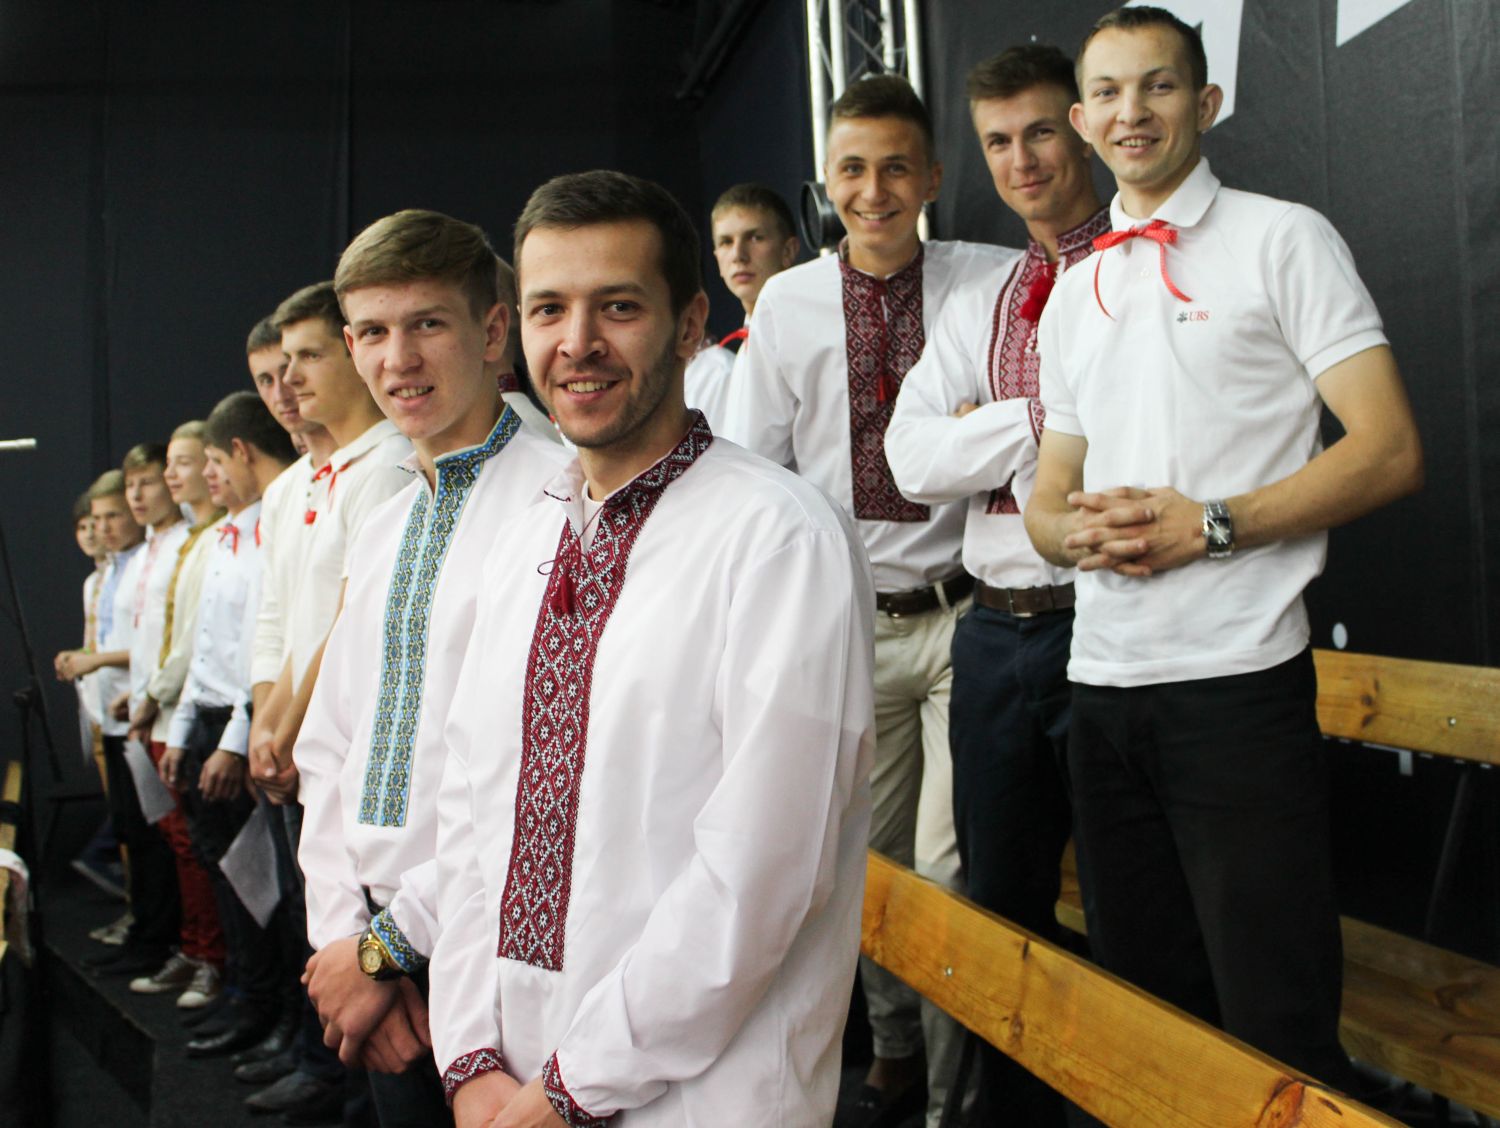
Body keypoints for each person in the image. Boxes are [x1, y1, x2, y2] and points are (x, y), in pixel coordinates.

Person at [1023, 5, 1423, 1088]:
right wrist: (1069, 531)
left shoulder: (1282, 237)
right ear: (1081, 121)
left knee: (1276, 1031)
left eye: (1158, 86)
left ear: (1206, 102)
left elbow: (1389, 449)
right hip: (1101, 689)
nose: (1132, 111)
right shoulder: (1075, 288)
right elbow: (1049, 494)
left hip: (1237, 690)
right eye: (1107, 92)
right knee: (1150, 1033)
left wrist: (1206, 527)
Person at [427, 170, 874, 1128]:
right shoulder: (521, 533)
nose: (577, 343)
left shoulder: (780, 538)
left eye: (619, 307)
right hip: (510, 1080)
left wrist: (569, 1088)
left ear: (689, 324)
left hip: (701, 1098)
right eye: (549, 308)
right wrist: (467, 1055)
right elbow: (469, 813)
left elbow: (760, 876)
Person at [725, 74, 1012, 1126]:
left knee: (947, 866)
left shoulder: (990, 281)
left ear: (933, 176)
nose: (875, 189)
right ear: (825, 181)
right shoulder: (789, 302)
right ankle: (890, 1048)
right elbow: (753, 466)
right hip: (850, 626)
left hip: (968, 618)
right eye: (853, 168)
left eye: (897, 167)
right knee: (872, 866)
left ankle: (949, 1100)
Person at [292, 208, 567, 1127]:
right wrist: (344, 941)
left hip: (498, 947)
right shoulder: (386, 522)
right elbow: (329, 748)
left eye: (427, 324)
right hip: (371, 955)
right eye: (372, 332)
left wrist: (389, 950)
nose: (398, 359)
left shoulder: (562, 501)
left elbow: (539, 775)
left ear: (493, 332)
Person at [883, 43, 1108, 1124]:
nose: (1023, 161)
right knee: (1000, 909)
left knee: (1127, 904)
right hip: (993, 631)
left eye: (1042, 133)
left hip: (1107, 622)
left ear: (1085, 130)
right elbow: (909, 460)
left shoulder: (1135, 272)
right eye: (999, 142)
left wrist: (980, 429)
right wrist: (1035, 423)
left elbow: (1140, 448)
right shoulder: (982, 298)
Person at [160, 392, 297, 1058]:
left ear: (241, 452)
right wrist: (184, 730)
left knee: (265, 885)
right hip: (210, 720)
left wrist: (232, 744)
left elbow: (262, 651)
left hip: (245, 723)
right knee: (224, 872)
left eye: (213, 461)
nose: (208, 476)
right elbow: (204, 648)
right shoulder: (221, 536)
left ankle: (270, 1005)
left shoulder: (272, 529)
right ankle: (245, 991)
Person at [136, 421, 229, 1011]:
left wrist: (155, 693)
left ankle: (212, 958)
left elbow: (196, 639)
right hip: (171, 709)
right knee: (180, 842)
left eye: (186, 461)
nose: (173, 474)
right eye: (167, 463)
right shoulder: (192, 539)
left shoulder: (219, 538)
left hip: (191, 711)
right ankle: (196, 948)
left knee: (201, 848)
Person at [683, 183, 800, 430]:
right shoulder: (747, 346)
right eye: (726, 242)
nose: (738, 255)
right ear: (717, 258)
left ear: (788, 251)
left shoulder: (804, 340)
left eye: (755, 238)